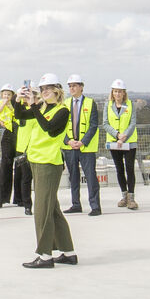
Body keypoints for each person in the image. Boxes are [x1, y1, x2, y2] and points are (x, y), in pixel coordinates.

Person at [15, 76, 78, 267]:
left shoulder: (62, 111)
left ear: (57, 90)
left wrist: (34, 105)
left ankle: (45, 256)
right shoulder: (42, 107)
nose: (44, 92)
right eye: (42, 89)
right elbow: (21, 116)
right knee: (53, 209)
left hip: (49, 164)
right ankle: (68, 252)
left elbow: (49, 129)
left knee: (42, 210)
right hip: (36, 161)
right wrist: (19, 100)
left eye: (48, 88)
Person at [62, 74, 103, 217]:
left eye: (74, 85)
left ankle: (95, 206)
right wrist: (68, 141)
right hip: (70, 147)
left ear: (81, 87)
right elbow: (60, 126)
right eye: (70, 86)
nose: (72, 88)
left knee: (90, 176)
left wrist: (82, 142)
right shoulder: (65, 104)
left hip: (86, 147)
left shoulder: (90, 103)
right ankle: (76, 204)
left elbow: (93, 125)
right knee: (73, 176)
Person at [104, 80, 140, 209]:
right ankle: (124, 196)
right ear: (112, 93)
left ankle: (131, 198)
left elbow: (133, 122)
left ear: (124, 93)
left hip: (129, 142)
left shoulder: (130, 105)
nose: (117, 94)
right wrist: (117, 135)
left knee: (129, 169)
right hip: (114, 142)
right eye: (115, 91)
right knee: (119, 169)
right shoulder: (108, 105)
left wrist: (124, 136)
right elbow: (105, 123)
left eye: (120, 91)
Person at [0, 85, 27, 212]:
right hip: (9, 134)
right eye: (5, 94)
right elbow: (0, 112)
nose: (7, 96)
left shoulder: (18, 103)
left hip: (19, 135)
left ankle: (19, 198)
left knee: (20, 167)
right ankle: (1, 198)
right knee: (5, 166)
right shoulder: (2, 103)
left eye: (9, 94)